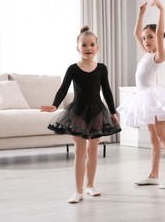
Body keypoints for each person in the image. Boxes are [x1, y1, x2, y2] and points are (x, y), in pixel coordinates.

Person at [40, 26, 121, 203]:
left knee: (93, 151)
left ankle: (90, 186)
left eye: (92, 44)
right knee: (80, 151)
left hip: (97, 112)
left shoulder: (101, 68)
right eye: (84, 45)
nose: (88, 48)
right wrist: (54, 105)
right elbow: (63, 89)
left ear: (97, 47)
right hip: (77, 112)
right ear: (78, 48)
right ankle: (78, 191)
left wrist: (113, 112)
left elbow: (107, 91)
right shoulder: (73, 69)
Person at [117, 0, 165, 189]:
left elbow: (158, 33)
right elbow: (135, 34)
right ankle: (153, 174)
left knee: (162, 135)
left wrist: (161, 11)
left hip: (153, 98)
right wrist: (140, 14)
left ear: (159, 38)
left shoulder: (158, 56)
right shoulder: (146, 55)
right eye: (145, 38)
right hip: (143, 99)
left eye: (150, 37)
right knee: (152, 138)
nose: (146, 40)